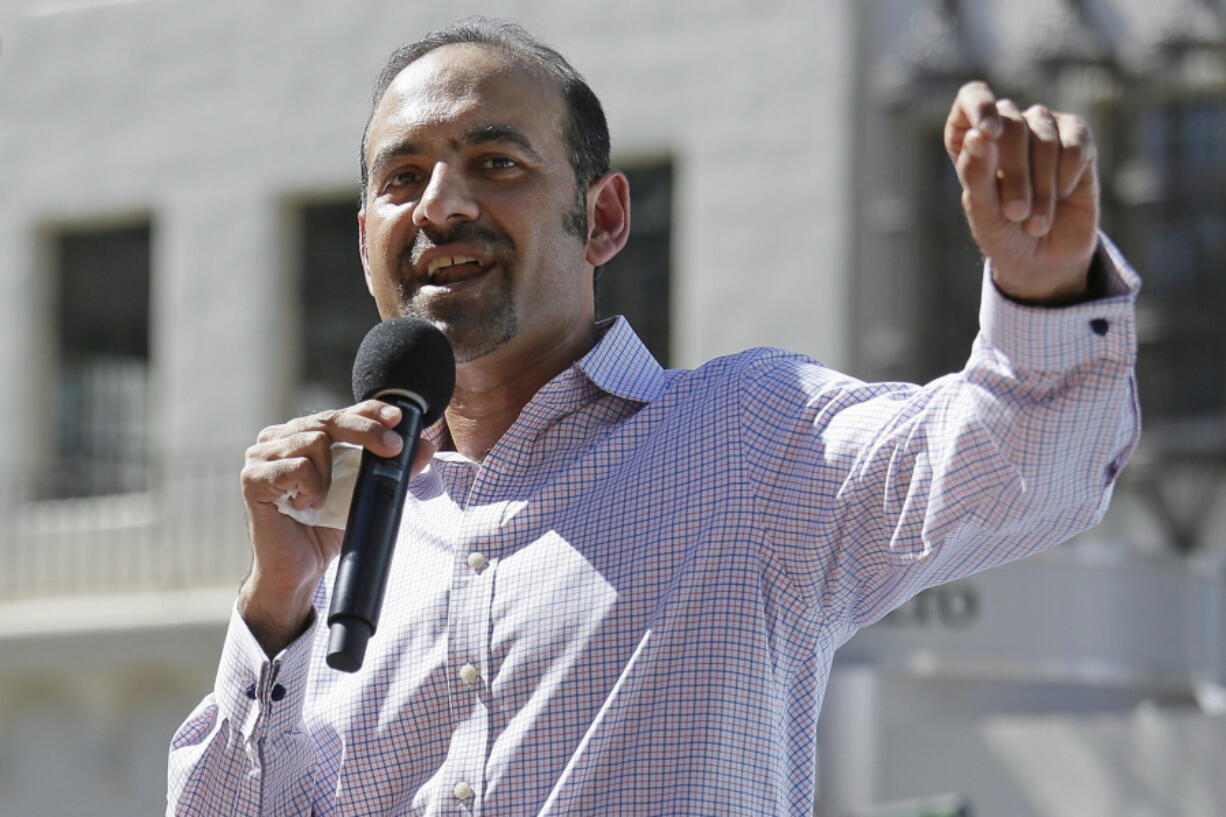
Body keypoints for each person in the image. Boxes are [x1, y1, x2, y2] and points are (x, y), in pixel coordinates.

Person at [167, 18, 1139, 817]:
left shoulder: (751, 436)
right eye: (400, 177)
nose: (440, 203)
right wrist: (273, 607)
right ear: (367, 237)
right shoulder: (338, 532)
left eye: (495, 162)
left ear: (604, 218)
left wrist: (1041, 289)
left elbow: (1019, 466)